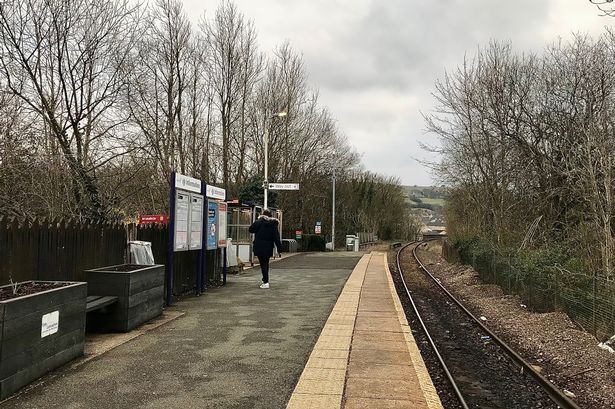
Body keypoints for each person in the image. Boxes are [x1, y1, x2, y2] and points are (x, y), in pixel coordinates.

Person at [249, 209, 283, 289]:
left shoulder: (259, 222)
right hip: (268, 246)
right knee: (266, 263)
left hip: (259, 246)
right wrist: (279, 248)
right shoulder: (273, 224)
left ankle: (265, 281)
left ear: (262, 215)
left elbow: (251, 229)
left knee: (263, 264)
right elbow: (276, 237)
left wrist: (259, 220)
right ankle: (265, 279)